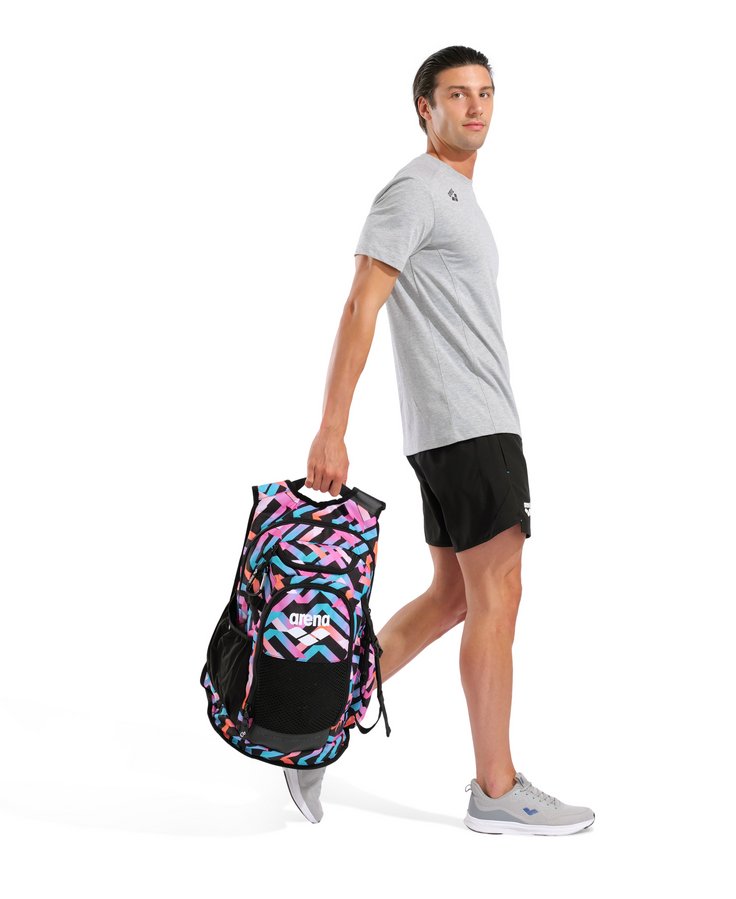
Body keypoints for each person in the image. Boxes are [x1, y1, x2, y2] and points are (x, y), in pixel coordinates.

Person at [283, 44, 595, 835]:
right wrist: (331, 427)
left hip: (460, 428)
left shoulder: (455, 194)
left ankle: (315, 729)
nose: (476, 106)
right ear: (424, 108)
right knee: (499, 593)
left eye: (486, 92)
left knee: (454, 596)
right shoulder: (416, 189)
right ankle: (497, 788)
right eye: (457, 94)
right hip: (469, 427)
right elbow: (361, 302)